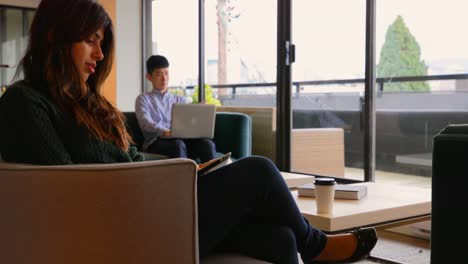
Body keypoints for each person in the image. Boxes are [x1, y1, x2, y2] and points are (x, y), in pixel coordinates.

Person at [0, 0, 378, 263]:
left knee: (280, 237)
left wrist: (176, 176)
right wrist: (159, 182)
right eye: (90, 41)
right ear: (53, 36)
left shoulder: (91, 106)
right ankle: (316, 245)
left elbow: (128, 160)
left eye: (102, 43)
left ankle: (305, 243)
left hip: (151, 207)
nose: (99, 56)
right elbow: (64, 195)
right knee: (260, 171)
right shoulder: (24, 103)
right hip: (126, 228)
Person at [135, 55, 217, 163]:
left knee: (207, 144)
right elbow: (146, 123)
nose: (164, 78)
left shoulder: (180, 100)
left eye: (166, 73)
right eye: (159, 74)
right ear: (149, 77)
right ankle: (185, 179)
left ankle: (212, 179)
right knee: (178, 145)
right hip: (156, 142)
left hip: (183, 140)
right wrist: (166, 131)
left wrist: (200, 109)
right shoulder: (143, 99)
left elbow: (191, 119)